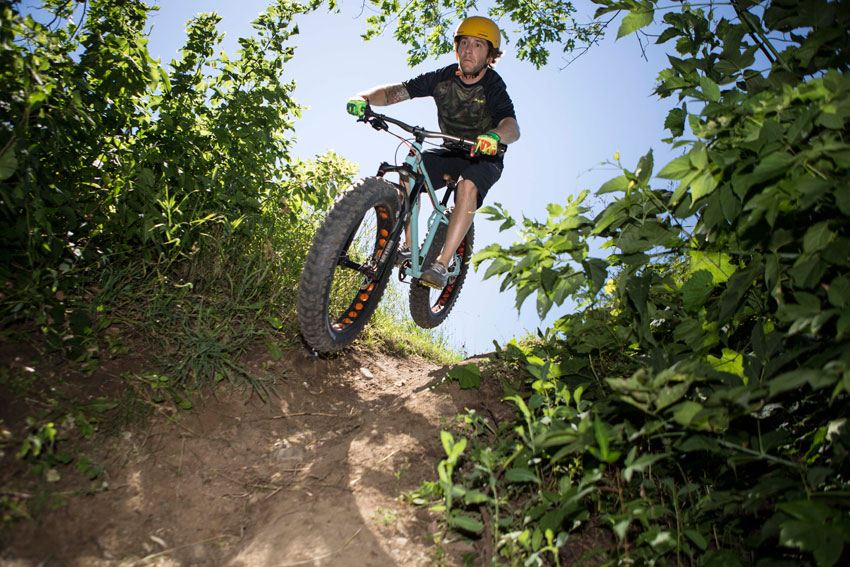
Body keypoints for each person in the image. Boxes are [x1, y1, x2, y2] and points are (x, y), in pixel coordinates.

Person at [346, 16, 520, 289]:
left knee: (468, 186)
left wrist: (495, 136)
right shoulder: (444, 78)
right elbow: (400, 91)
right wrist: (364, 98)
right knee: (410, 166)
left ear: (490, 55)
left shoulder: (492, 86)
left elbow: (512, 126)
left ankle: (441, 263)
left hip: (484, 156)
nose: (468, 50)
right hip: (450, 149)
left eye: (477, 45)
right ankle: (406, 246)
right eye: (464, 43)